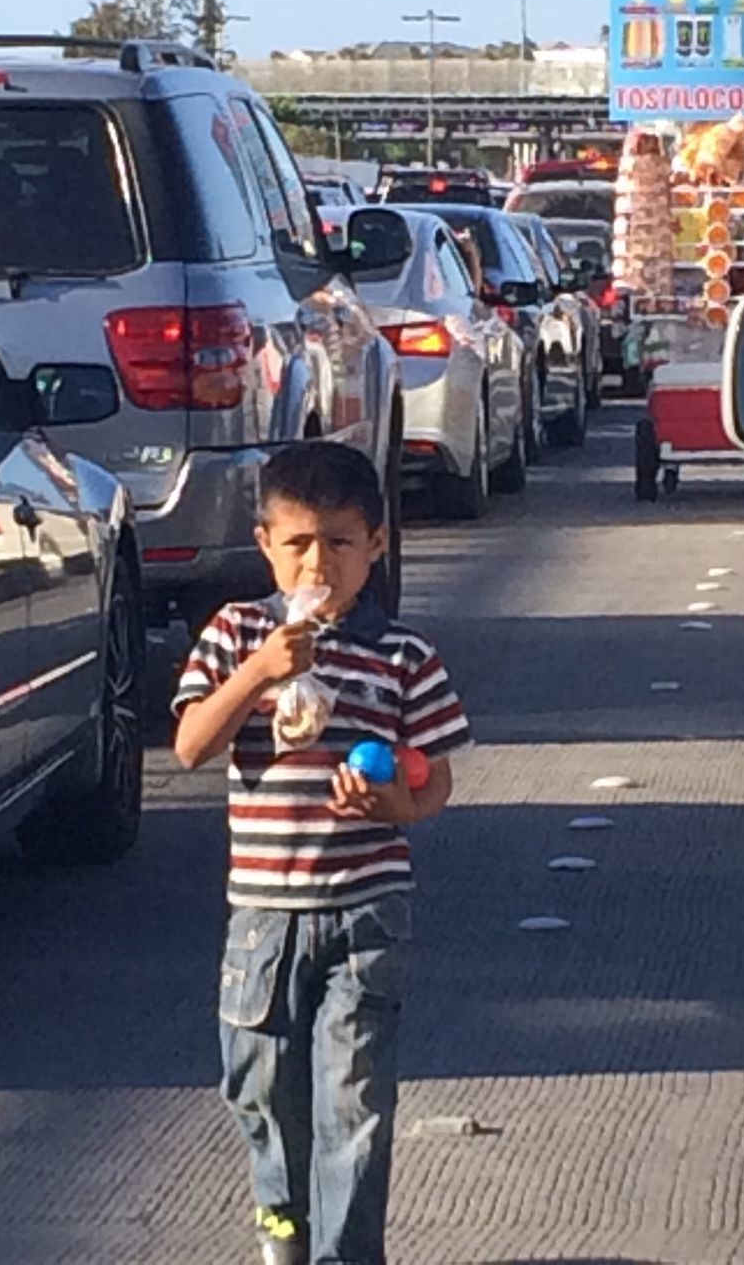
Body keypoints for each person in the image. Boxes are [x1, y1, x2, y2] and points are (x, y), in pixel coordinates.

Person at [173, 441, 471, 1265]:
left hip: (367, 907)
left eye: (340, 543)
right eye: (299, 543)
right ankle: (284, 1218)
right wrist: (261, 672)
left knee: (356, 1098)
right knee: (261, 1085)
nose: (318, 563)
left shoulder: (403, 657)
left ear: (376, 545)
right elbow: (193, 745)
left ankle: (347, 1253)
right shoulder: (237, 633)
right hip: (265, 913)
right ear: (264, 543)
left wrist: (395, 805)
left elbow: (434, 780)